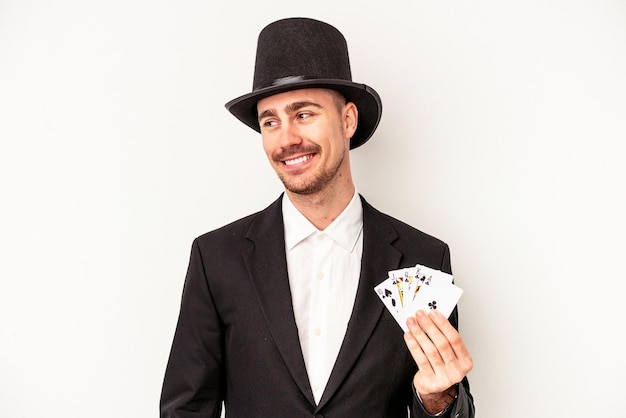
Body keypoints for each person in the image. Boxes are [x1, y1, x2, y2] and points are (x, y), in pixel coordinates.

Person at [160, 17, 475, 418]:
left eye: (303, 114)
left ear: (348, 120)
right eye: (270, 121)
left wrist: (436, 400)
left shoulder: (423, 259)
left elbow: (449, 403)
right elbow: (185, 410)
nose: (286, 138)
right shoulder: (216, 258)